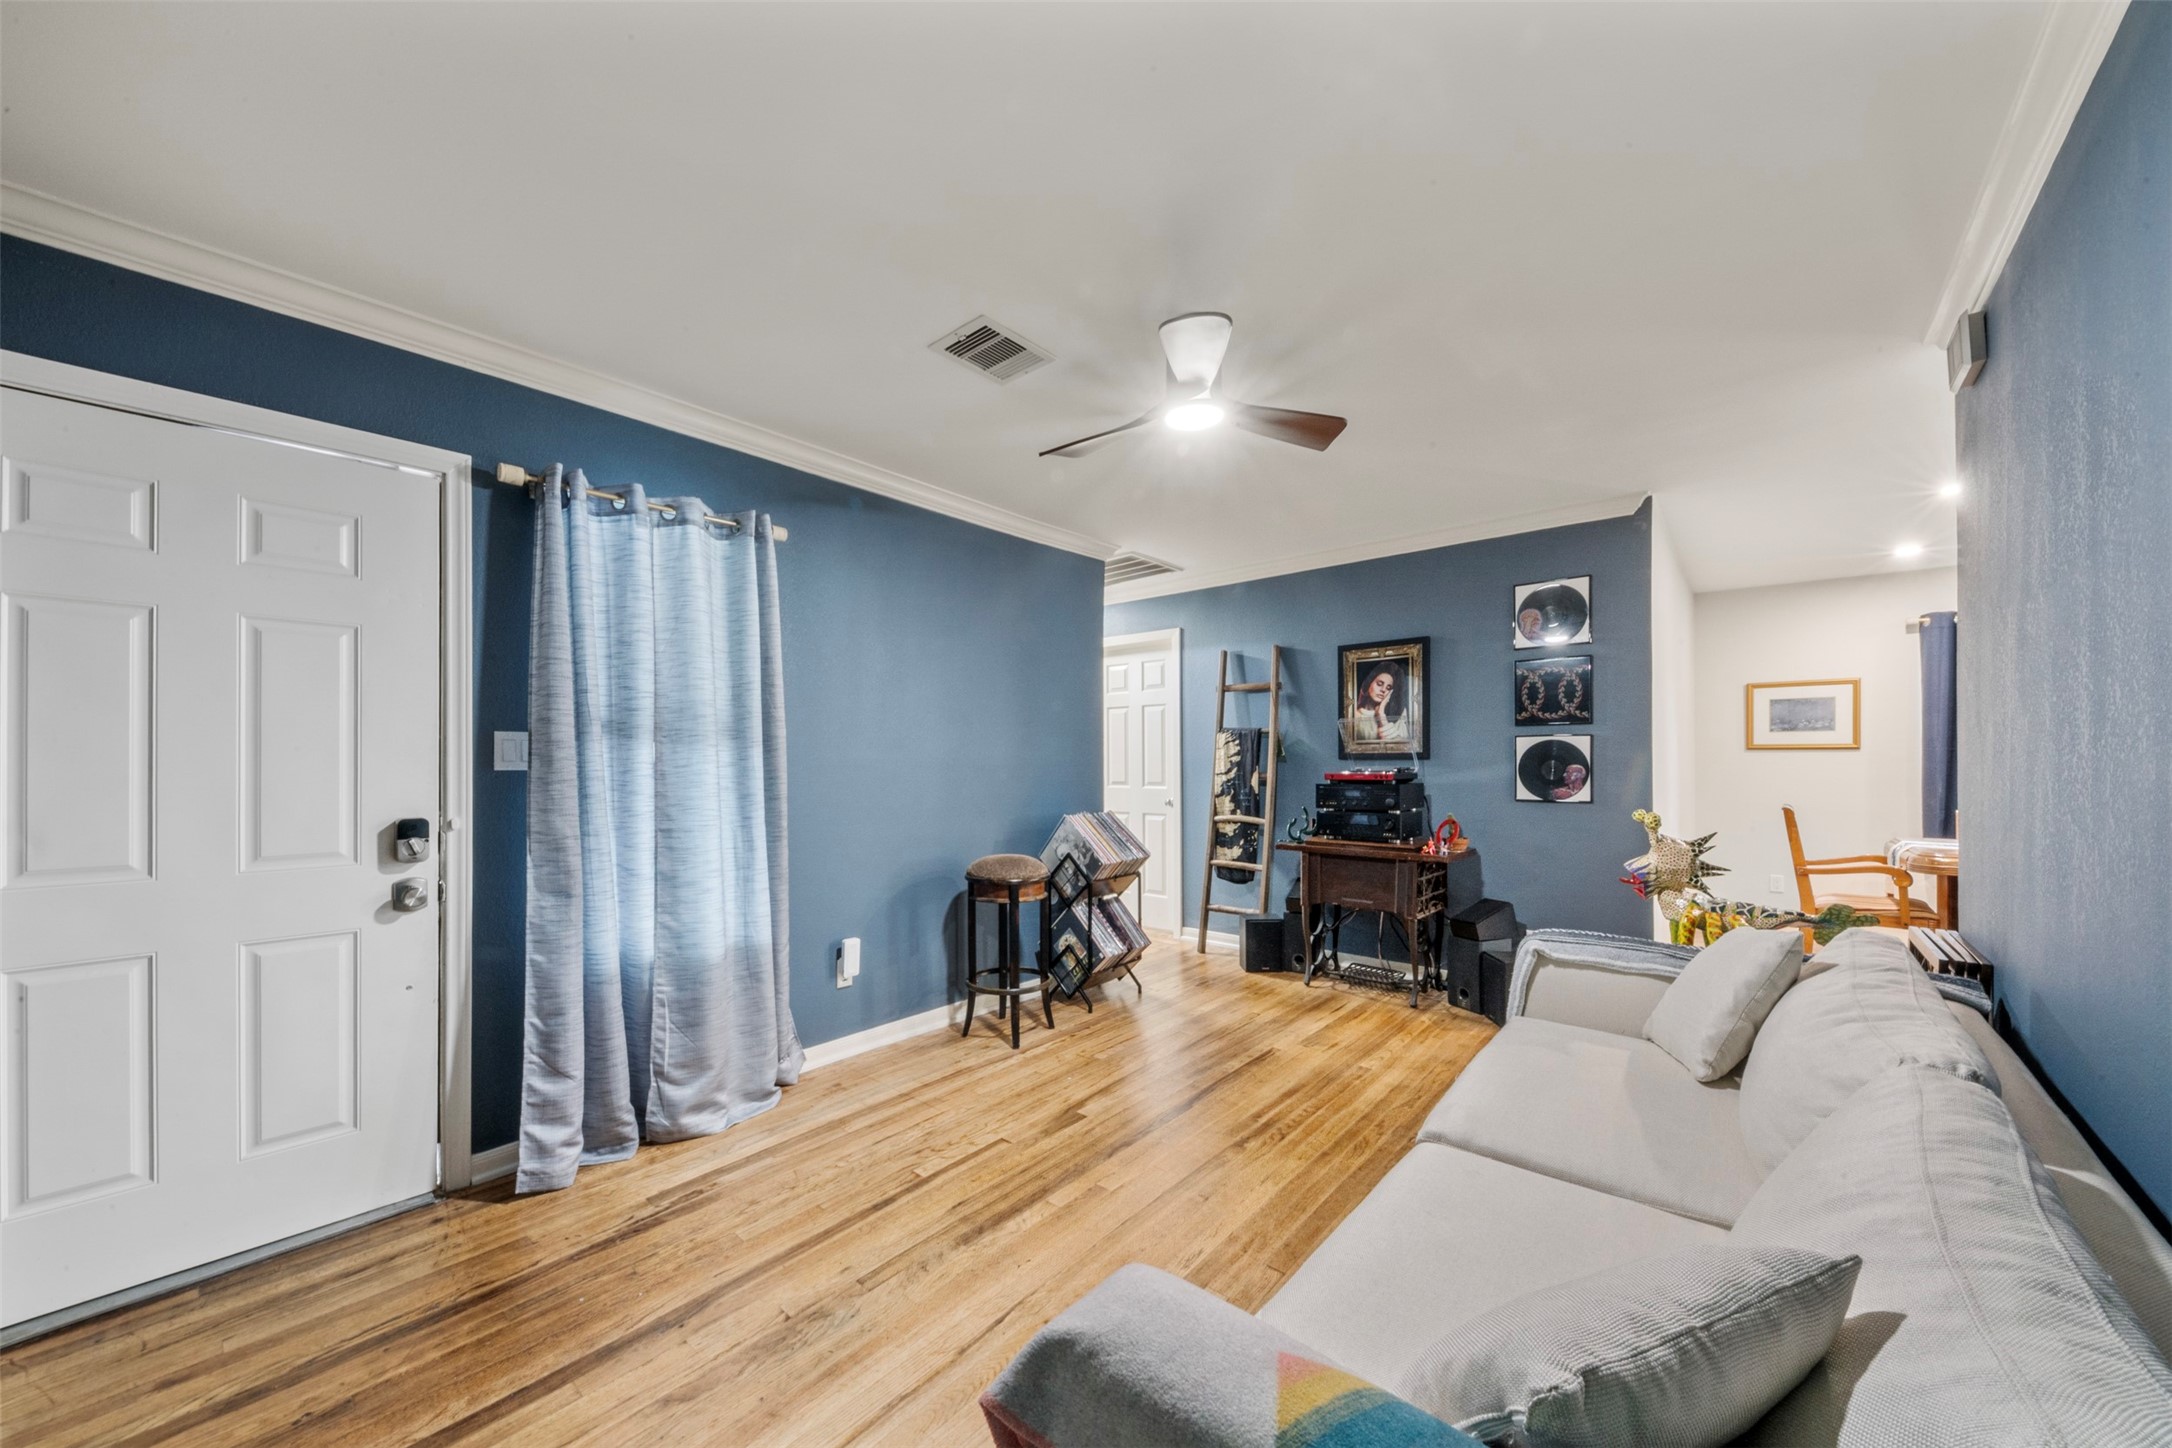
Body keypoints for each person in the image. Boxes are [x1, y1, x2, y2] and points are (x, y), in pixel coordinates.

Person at [1350, 665, 1409, 743]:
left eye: (1388, 688)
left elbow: (1401, 748)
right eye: (1379, 684)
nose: (1383, 690)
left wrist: (1381, 714)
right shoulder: (1354, 715)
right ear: (1369, 684)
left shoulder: (1398, 714)